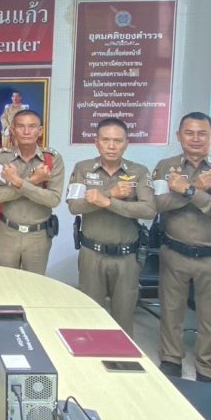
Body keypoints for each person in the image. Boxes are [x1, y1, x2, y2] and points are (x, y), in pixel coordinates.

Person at [152, 112, 211, 383]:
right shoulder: (165, 167)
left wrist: (190, 191)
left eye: (202, 133)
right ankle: (171, 360)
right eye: (189, 133)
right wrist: (196, 189)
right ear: (179, 136)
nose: (195, 139)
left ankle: (207, 368)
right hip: (174, 253)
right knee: (171, 312)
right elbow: (158, 204)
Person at [67, 118, 155, 335]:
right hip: (91, 254)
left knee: (123, 319)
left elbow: (149, 210)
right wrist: (110, 193)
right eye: (106, 140)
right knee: (90, 316)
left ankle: (122, 356)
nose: (112, 146)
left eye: (118, 140)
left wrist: (107, 202)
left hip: (127, 257)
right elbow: (74, 206)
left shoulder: (139, 172)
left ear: (126, 143)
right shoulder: (83, 168)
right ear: (96, 142)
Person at [0, 109, 64, 274]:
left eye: (32, 126)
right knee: (5, 283)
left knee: (34, 284)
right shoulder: (3, 157)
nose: (27, 131)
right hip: (7, 233)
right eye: (21, 126)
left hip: (38, 235)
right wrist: (34, 181)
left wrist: (17, 182)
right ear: (13, 130)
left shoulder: (52, 159)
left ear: (40, 130)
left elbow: (53, 199)